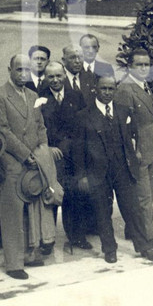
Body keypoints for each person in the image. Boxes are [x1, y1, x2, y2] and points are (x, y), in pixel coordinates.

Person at [78, 76, 153, 264]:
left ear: (115, 90)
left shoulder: (123, 111)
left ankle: (144, 246)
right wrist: (82, 175)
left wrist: (135, 153)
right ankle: (109, 249)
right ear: (95, 90)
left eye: (111, 89)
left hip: (122, 169)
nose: (107, 92)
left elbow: (133, 134)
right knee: (102, 211)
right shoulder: (84, 115)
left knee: (132, 209)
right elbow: (78, 149)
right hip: (98, 172)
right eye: (103, 88)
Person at [0, 54, 50, 279]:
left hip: (33, 161)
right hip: (12, 162)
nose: (23, 74)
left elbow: (40, 126)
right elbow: (2, 130)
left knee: (31, 211)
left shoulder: (33, 95)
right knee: (12, 213)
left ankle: (29, 254)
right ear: (9, 70)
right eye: (19, 69)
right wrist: (25, 155)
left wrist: (42, 151)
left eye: (27, 70)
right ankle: (13, 263)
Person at [114, 49, 153, 251]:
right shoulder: (125, 90)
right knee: (143, 196)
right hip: (137, 150)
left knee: (149, 193)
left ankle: (133, 228)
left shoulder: (143, 86)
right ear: (130, 67)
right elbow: (122, 126)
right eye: (139, 65)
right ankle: (150, 236)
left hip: (150, 146)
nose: (144, 68)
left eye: (146, 65)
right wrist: (132, 151)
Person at [38, 61, 91, 252]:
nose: (55, 80)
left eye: (58, 76)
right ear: (45, 78)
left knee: (75, 196)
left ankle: (77, 237)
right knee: (51, 196)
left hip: (73, 156)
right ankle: (47, 241)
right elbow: (37, 127)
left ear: (64, 76)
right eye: (50, 76)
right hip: (52, 157)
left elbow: (84, 125)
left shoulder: (76, 96)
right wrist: (48, 146)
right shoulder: (39, 99)